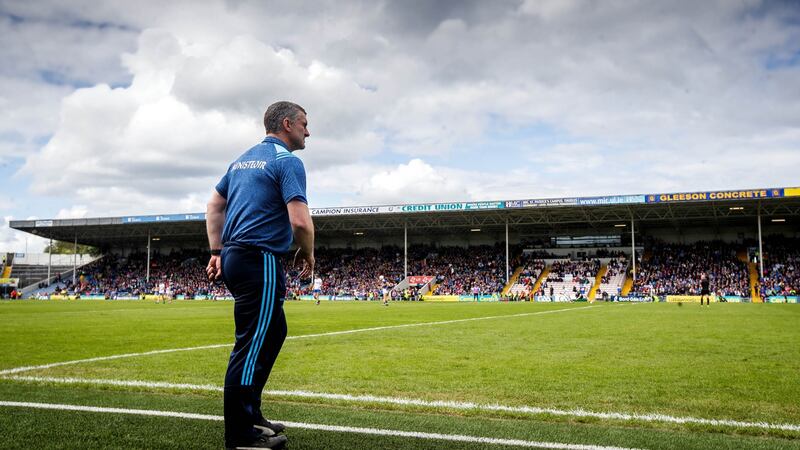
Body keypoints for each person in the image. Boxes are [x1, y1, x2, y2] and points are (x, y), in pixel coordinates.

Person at [206, 101, 314, 450]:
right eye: (304, 125)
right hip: (260, 258)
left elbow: (213, 205)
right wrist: (309, 254)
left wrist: (216, 252)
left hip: (236, 256)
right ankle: (240, 434)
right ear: (287, 124)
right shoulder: (287, 161)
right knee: (251, 345)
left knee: (274, 331)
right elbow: (299, 221)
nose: (307, 132)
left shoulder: (240, 161)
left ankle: (250, 414)